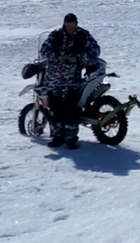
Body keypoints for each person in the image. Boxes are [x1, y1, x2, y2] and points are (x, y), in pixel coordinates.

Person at [39, 12, 101, 149]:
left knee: (70, 108)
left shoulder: (83, 36)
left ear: (76, 24)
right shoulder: (56, 35)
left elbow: (95, 51)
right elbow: (44, 51)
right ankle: (57, 136)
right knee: (55, 108)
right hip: (54, 79)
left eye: (72, 26)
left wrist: (78, 57)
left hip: (72, 80)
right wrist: (57, 56)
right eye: (67, 26)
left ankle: (71, 138)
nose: (70, 29)